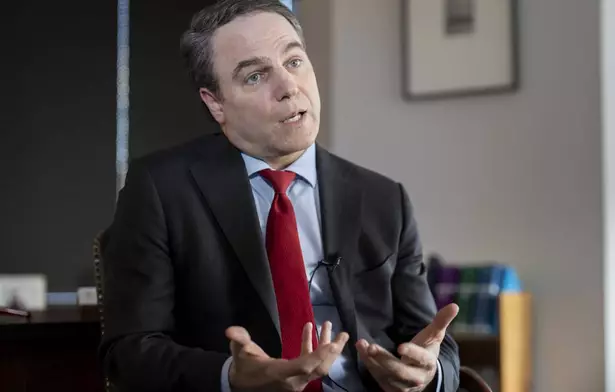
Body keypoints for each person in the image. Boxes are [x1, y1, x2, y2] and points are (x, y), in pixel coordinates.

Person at [98, 1, 460, 391]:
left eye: (294, 62)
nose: (288, 88)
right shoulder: (161, 189)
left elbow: (430, 342)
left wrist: (429, 373)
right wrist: (230, 377)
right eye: (255, 77)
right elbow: (129, 352)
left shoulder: (384, 199)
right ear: (215, 103)